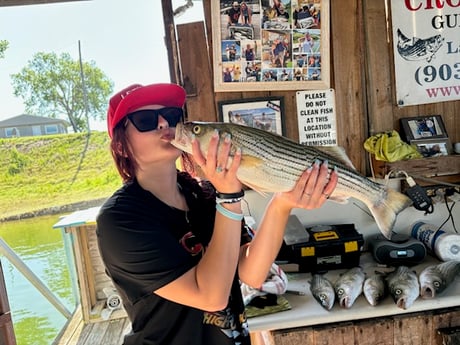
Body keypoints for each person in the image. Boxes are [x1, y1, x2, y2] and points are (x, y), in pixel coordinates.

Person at [96, 83, 338, 345]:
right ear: (121, 146)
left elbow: (251, 273)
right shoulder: (120, 220)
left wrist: (282, 203)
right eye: (145, 119)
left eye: (172, 115)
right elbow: (210, 296)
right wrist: (230, 198)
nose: (165, 122)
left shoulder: (205, 195)